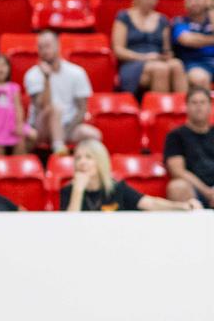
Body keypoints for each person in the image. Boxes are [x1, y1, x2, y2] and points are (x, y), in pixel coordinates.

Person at [62, 139, 199, 212]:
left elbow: (149, 203)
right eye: (78, 158)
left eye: (88, 157)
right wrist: (78, 191)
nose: (82, 162)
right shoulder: (68, 191)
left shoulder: (116, 188)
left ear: (100, 161)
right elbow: (70, 230)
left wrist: (181, 206)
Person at [23, 30, 98, 154]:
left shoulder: (77, 72)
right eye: (41, 47)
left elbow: (82, 109)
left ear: (58, 45)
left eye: (47, 46)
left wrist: (66, 131)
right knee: (54, 109)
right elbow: (42, 106)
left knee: (94, 135)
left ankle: (82, 163)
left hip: (68, 126)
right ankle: (59, 150)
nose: (44, 51)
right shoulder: (32, 74)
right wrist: (47, 78)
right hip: (41, 127)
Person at [113, 0, 186, 95]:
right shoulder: (124, 17)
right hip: (133, 62)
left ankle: (182, 109)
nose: (151, 1)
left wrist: (166, 55)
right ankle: (160, 111)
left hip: (157, 59)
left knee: (177, 64)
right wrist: (144, 57)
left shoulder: (162, 20)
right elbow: (118, 50)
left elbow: (167, 50)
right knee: (160, 69)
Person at [163, 87, 214, 206]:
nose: (199, 106)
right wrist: (207, 192)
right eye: (194, 102)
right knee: (177, 187)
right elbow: (178, 171)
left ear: (210, 106)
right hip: (194, 190)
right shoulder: (176, 135)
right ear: (186, 106)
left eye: (202, 102)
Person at [171, 0, 214, 89]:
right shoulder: (180, 21)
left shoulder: (211, 19)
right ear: (185, 4)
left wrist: (211, 8)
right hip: (194, 63)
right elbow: (187, 40)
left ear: (205, 1)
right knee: (200, 78)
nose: (193, 2)